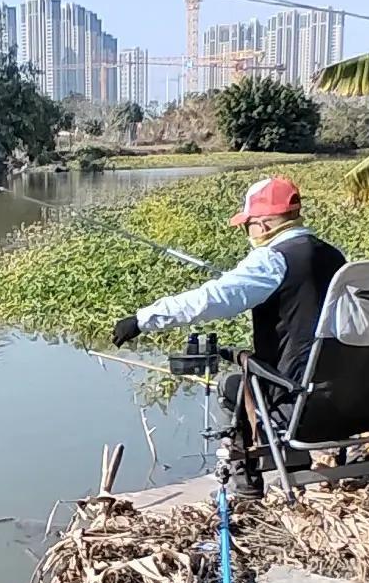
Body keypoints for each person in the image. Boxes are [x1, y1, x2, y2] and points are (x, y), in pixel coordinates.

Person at [111, 175, 346, 464]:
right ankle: (292, 462)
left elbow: (209, 300)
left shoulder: (272, 259)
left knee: (231, 386)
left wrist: (141, 320)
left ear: (263, 223)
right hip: (349, 402)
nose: (248, 232)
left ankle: (246, 483)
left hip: (296, 404)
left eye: (247, 225)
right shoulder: (336, 257)